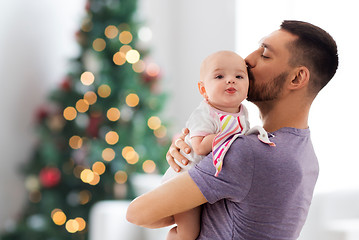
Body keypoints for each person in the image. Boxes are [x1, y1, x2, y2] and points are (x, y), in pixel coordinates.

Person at [126, 20, 339, 240]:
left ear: (296, 78)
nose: (247, 60)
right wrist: (195, 154)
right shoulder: (304, 154)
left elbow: (137, 213)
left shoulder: (247, 152)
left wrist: (186, 174)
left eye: (265, 54)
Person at [162, 50, 273, 240]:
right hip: (183, 180)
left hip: (205, 183)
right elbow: (198, 147)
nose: (230, 80)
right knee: (188, 233)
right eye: (219, 76)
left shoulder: (242, 112)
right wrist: (230, 137)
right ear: (203, 89)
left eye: (239, 76)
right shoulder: (205, 113)